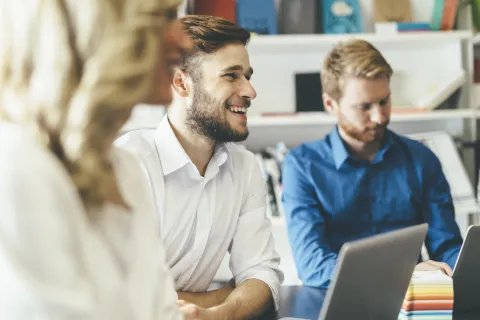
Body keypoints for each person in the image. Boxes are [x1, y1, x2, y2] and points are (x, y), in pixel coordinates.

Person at [0, 0, 209, 319]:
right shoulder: (17, 167)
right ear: (98, 28)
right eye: (165, 16)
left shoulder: (124, 170)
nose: (186, 40)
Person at [116, 15, 283, 319]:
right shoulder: (130, 164)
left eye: (247, 75)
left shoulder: (244, 167)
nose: (250, 91)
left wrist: (220, 313)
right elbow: (126, 297)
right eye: (231, 76)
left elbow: (263, 274)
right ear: (181, 83)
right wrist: (223, 294)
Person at [281, 39, 463, 288]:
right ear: (330, 104)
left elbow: (446, 247)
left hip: (412, 300)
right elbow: (313, 264)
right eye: (364, 107)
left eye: (384, 101)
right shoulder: (302, 166)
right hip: (338, 299)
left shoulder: (421, 159)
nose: (379, 117)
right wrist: (401, 274)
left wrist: (461, 266)